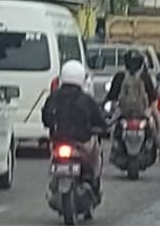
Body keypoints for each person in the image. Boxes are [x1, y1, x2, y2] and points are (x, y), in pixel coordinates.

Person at [39, 56, 109, 186]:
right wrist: (103, 128)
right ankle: (93, 180)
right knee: (95, 151)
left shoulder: (53, 97)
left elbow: (45, 118)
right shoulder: (86, 99)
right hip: (81, 142)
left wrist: (53, 127)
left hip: (58, 140)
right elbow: (99, 121)